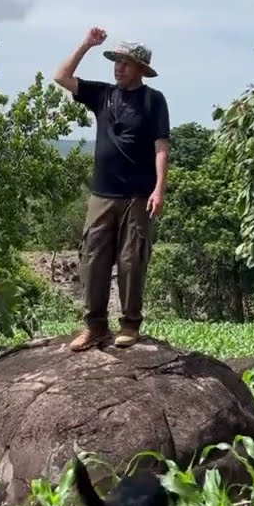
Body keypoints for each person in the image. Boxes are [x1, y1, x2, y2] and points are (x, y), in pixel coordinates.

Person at [52, 28, 169, 351]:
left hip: (138, 195)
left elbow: (161, 146)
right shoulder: (102, 94)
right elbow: (61, 76)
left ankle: (130, 324)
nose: (118, 68)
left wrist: (159, 189)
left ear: (141, 70)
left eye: (126, 63)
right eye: (116, 62)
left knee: (132, 260)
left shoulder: (153, 101)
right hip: (102, 194)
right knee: (93, 257)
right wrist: (87, 45)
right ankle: (95, 326)